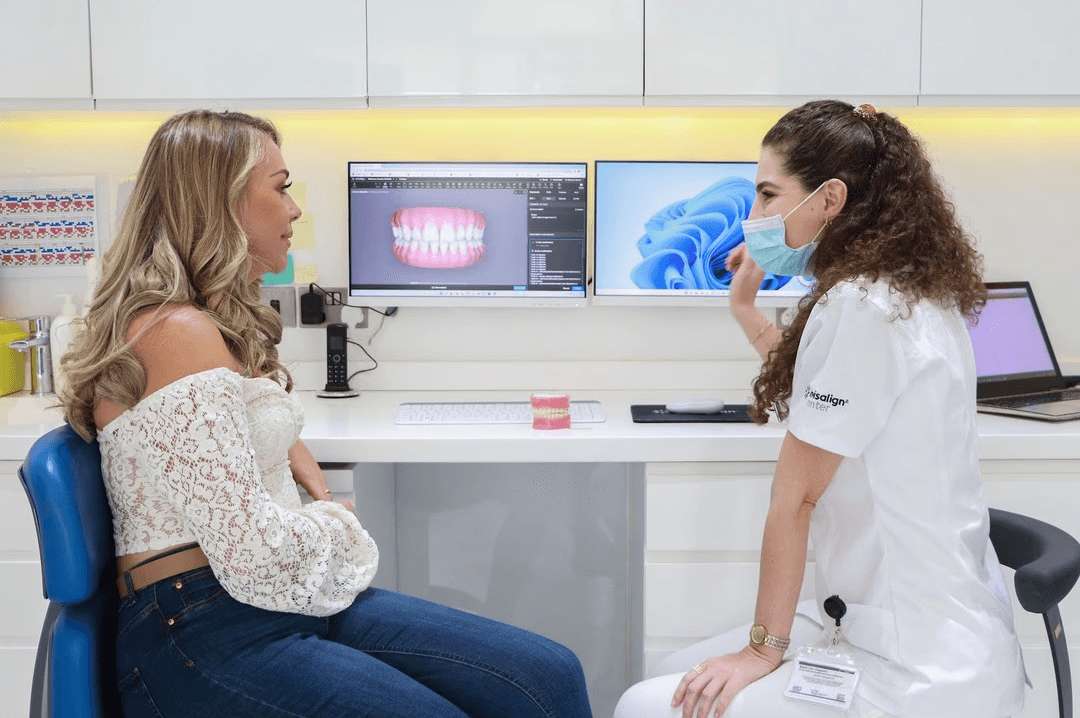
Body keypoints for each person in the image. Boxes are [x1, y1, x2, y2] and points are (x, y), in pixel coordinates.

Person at [58, 110, 593, 718]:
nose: (295, 210)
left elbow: (245, 425)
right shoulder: (177, 332)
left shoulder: (207, 324)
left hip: (255, 598)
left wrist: (307, 476)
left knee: (546, 675)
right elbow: (253, 553)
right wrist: (335, 521)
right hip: (198, 625)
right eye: (281, 187)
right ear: (222, 200)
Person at [615, 100, 1025, 718]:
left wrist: (762, 652)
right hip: (923, 623)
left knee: (651, 705)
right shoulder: (907, 289)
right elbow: (838, 386)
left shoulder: (862, 304)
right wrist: (746, 310)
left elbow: (796, 500)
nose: (753, 218)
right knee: (678, 673)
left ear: (829, 200)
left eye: (767, 195)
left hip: (915, 664)